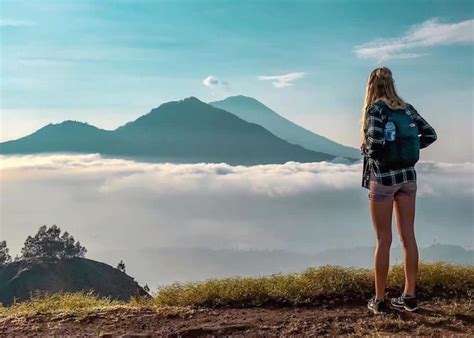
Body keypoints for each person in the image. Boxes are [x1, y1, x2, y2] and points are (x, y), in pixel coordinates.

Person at [360, 67, 437, 315]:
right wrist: (408, 150)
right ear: (392, 83)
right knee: (408, 238)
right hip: (408, 178)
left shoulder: (375, 110)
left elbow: (375, 144)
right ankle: (410, 297)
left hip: (383, 178)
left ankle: (380, 300)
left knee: (384, 240)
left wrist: (367, 149)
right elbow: (430, 134)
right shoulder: (407, 108)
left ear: (371, 86)